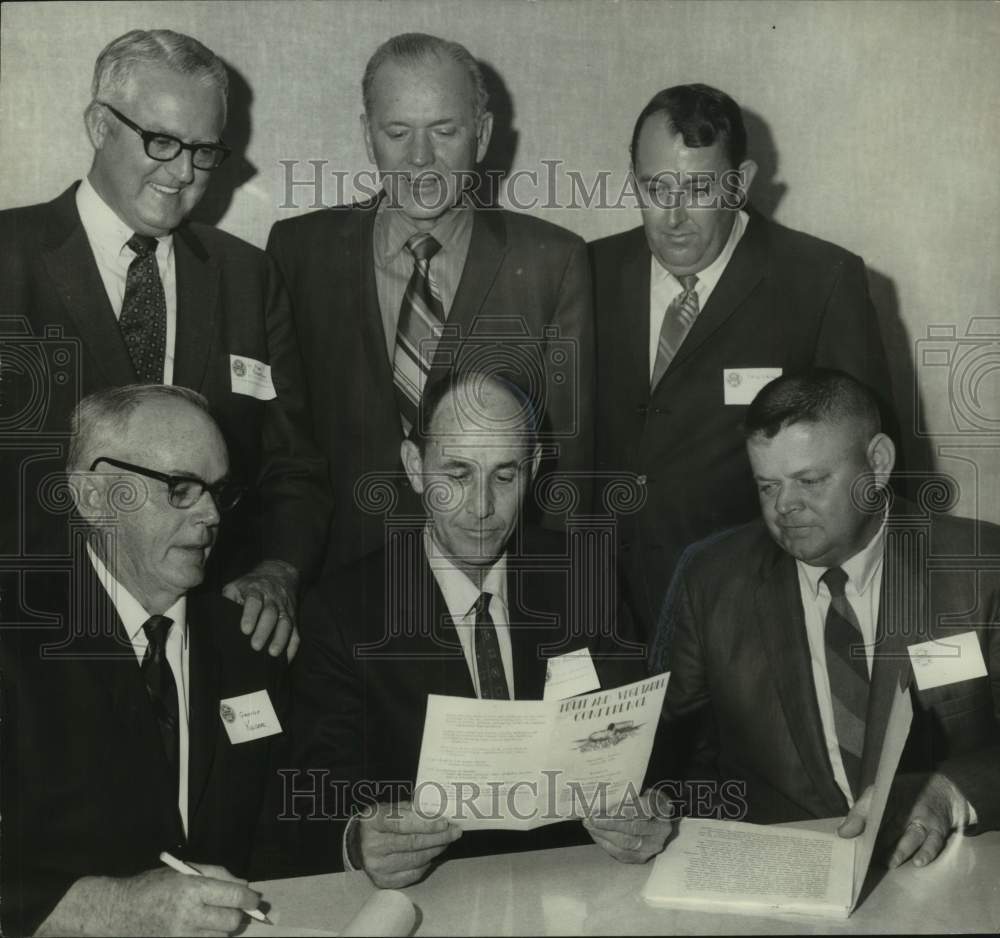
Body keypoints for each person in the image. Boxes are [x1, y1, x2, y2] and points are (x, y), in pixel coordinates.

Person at [0, 29, 330, 657]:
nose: (182, 173)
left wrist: (279, 570)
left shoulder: (248, 277)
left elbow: (294, 467)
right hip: (30, 647)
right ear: (100, 124)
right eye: (161, 142)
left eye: (204, 152)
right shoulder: (7, 258)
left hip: (199, 643)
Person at [290, 372, 667, 888]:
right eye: (458, 474)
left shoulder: (587, 574)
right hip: (433, 895)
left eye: (504, 476)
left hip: (576, 886)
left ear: (532, 470)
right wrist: (358, 837)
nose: (483, 506)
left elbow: (647, 750)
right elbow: (317, 792)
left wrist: (654, 811)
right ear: (414, 468)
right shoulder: (341, 611)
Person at [267, 32, 593, 576]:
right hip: (334, 585)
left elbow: (569, 465)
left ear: (482, 135)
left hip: (496, 587)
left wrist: (560, 598)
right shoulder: (298, 251)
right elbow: (283, 445)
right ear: (368, 135)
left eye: (445, 131)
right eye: (398, 132)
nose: (420, 158)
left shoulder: (551, 261)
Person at [651, 369, 999, 868]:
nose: (785, 506)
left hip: (949, 874)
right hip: (780, 881)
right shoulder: (711, 579)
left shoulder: (980, 567)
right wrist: (654, 808)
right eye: (767, 486)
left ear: (877, 463)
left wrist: (948, 792)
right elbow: (676, 758)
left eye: (810, 480)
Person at [590, 84, 895, 640]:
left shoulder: (820, 281)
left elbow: (873, 473)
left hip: (757, 617)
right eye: (657, 188)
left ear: (741, 182)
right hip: (604, 613)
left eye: (700, 188)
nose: (675, 216)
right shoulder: (587, 272)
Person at [0, 385, 285, 936]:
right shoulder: (17, 644)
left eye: (218, 492)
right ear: (93, 496)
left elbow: (280, 836)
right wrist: (115, 909)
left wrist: (356, 839)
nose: (210, 516)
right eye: (181, 488)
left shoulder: (249, 640)